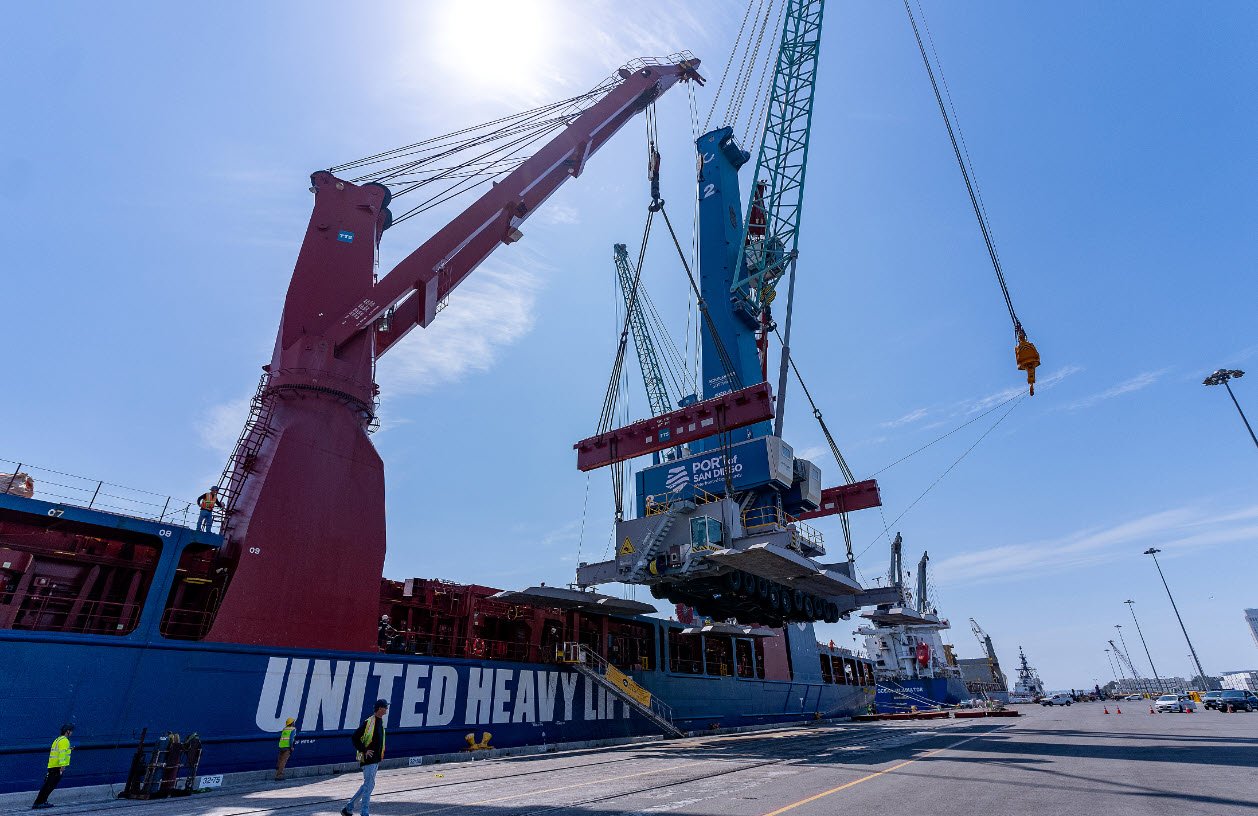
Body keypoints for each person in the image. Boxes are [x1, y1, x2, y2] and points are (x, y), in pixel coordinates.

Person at [343, 700, 387, 816]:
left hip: (376, 759)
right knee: (368, 786)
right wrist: (364, 750)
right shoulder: (369, 722)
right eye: (385, 707)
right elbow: (355, 737)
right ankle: (364, 813)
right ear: (380, 708)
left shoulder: (380, 722)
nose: (387, 709)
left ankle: (348, 808)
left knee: (369, 785)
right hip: (368, 759)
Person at [32, 724, 74, 810]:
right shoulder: (65, 740)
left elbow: (58, 751)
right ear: (67, 731)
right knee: (49, 786)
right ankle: (39, 803)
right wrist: (62, 766)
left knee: (47, 785)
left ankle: (41, 801)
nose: (72, 733)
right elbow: (62, 754)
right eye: (71, 731)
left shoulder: (58, 739)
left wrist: (69, 749)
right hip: (57, 767)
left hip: (52, 765)